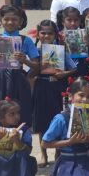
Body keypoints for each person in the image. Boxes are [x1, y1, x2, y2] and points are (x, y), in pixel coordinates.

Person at [0, 5, 39, 129]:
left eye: (14, 19)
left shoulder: (26, 41)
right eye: (6, 19)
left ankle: (19, 137)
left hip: (19, 80)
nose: (10, 22)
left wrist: (25, 60)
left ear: (20, 21)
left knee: (19, 110)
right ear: (0, 21)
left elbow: (37, 66)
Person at [31, 19, 77, 165]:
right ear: (38, 34)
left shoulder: (61, 50)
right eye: (43, 33)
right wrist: (39, 66)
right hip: (41, 87)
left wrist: (63, 74)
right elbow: (29, 74)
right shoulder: (34, 52)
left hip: (58, 88)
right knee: (41, 121)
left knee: (58, 118)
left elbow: (73, 68)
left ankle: (58, 153)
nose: (46, 36)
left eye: (50, 33)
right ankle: (43, 154)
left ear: (55, 35)